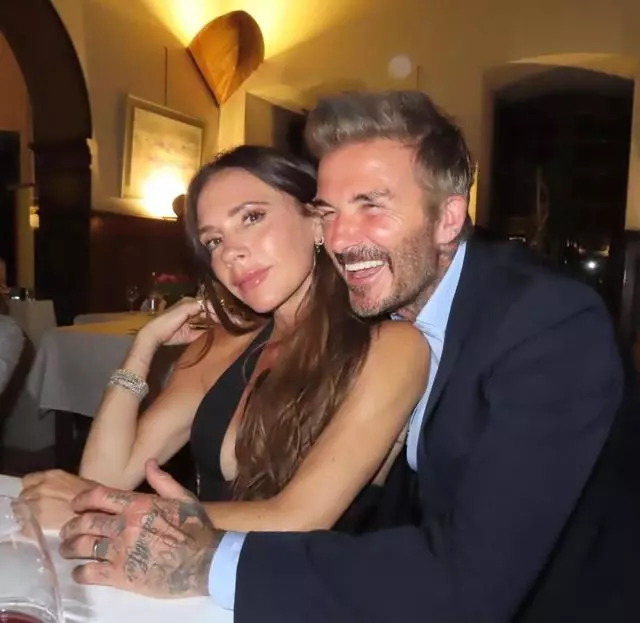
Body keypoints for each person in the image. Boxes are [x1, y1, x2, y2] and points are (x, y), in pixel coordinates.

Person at [58, 91, 624, 623]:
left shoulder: (546, 324)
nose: (343, 239)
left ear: (449, 219)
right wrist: (142, 352)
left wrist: (197, 554)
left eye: (371, 205)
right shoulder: (393, 315)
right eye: (331, 211)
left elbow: (472, 577)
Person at [22, 145, 429, 536]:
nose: (230, 252)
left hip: (312, 582)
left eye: (252, 217)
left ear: (316, 221)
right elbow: (106, 476)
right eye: (213, 241)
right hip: (198, 578)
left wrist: (122, 510)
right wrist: (142, 348)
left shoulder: (392, 347)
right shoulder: (221, 347)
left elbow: (298, 519)